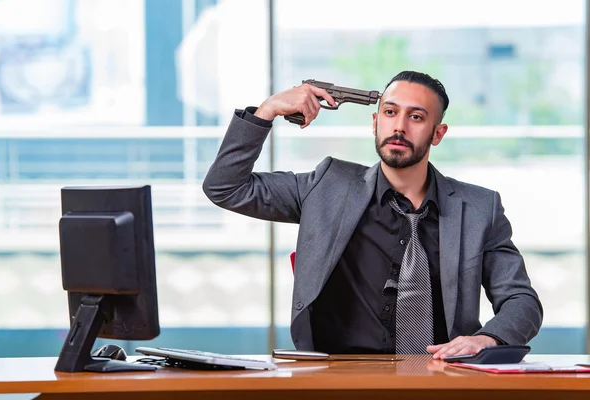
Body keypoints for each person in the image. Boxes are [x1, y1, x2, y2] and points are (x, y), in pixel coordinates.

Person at [202, 71, 543, 358]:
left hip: (442, 378)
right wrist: (268, 110)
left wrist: (486, 340)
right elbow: (225, 187)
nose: (400, 127)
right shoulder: (327, 186)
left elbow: (521, 300)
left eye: (416, 117)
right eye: (391, 113)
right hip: (337, 378)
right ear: (375, 122)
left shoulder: (480, 208)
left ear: (438, 134)